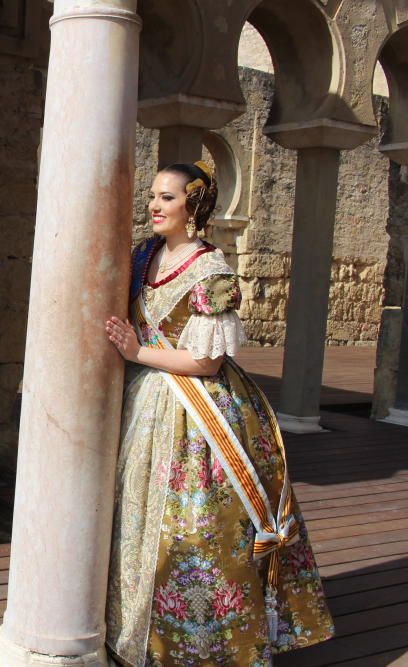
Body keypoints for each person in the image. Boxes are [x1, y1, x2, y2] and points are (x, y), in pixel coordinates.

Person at [104, 162, 333, 666]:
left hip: (197, 412)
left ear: (195, 205)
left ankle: (200, 648)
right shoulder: (144, 254)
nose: (154, 206)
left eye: (167, 198)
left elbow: (208, 362)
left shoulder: (212, 271)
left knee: (193, 529)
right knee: (134, 515)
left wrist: (137, 353)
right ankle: (133, 635)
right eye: (152, 197)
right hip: (144, 401)